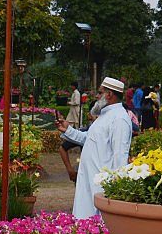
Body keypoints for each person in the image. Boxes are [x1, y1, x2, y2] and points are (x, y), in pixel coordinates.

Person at [55, 77, 132, 219]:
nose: (96, 96)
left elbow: (120, 156)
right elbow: (88, 139)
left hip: (102, 185)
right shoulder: (104, 115)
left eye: (100, 93)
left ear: (109, 94)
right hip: (89, 180)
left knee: (101, 229)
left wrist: (116, 190)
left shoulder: (119, 119)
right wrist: (68, 130)